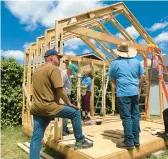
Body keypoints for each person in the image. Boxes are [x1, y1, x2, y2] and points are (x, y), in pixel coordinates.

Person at [30, 49, 93, 159]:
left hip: (36, 108)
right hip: (49, 107)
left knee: (36, 138)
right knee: (75, 112)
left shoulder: (37, 71)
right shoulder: (54, 69)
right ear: (51, 58)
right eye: (58, 57)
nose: (60, 59)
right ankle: (80, 141)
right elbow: (60, 89)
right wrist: (69, 103)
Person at [108, 42, 145, 149]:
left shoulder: (115, 64)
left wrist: (119, 86)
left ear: (118, 52)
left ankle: (129, 142)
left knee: (127, 117)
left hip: (123, 94)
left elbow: (112, 79)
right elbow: (142, 77)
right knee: (135, 116)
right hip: (134, 93)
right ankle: (136, 140)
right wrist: (138, 89)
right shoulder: (137, 62)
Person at [62, 63, 79, 136]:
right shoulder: (64, 74)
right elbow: (61, 87)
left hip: (67, 95)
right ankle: (62, 130)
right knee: (65, 114)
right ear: (69, 69)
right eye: (72, 72)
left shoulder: (68, 74)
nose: (72, 74)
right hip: (64, 96)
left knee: (66, 114)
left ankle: (64, 128)